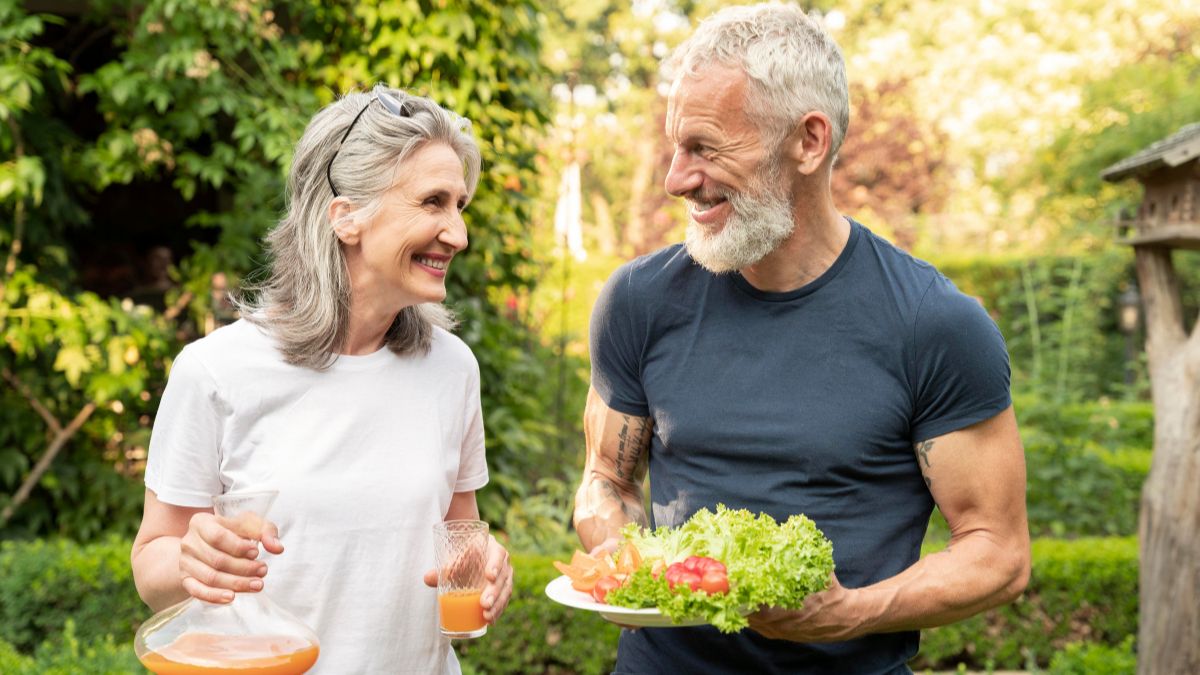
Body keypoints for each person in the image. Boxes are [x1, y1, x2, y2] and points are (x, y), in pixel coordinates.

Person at [572, 4, 1030, 674]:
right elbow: (604, 477)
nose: (675, 179)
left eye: (705, 147)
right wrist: (615, 549)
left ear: (809, 141)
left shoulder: (934, 324)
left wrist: (851, 612)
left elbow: (998, 551)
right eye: (676, 147)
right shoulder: (639, 300)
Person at [131, 84, 513, 674]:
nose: (458, 234)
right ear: (346, 216)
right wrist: (190, 560)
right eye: (433, 202)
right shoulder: (216, 370)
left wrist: (483, 563)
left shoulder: (451, 367)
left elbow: (457, 533)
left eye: (460, 205)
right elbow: (152, 565)